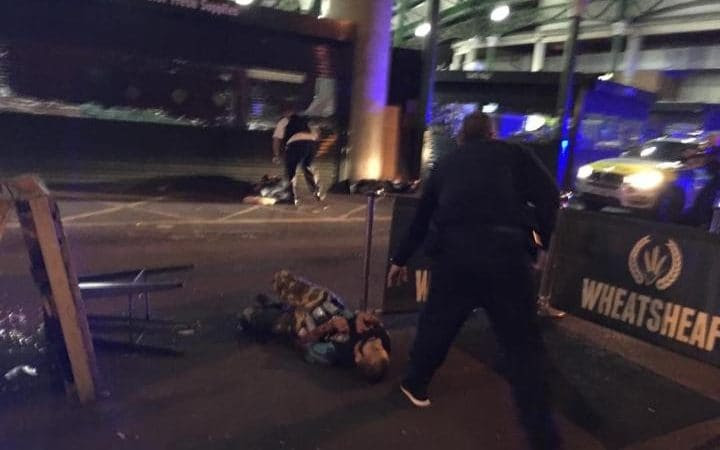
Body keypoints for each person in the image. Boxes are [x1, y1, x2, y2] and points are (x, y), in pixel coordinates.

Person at [387, 112, 561, 449]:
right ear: (493, 134)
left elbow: (421, 219)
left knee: (438, 323)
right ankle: (543, 435)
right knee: (523, 347)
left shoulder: (446, 164)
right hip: (507, 254)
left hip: (456, 255)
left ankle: (415, 383)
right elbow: (550, 196)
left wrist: (400, 259)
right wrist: (541, 241)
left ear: (461, 138)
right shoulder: (515, 154)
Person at [240, 270, 391, 383]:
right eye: (380, 347)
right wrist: (359, 316)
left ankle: (276, 309)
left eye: (374, 348)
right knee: (281, 277)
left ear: (358, 358)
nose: (376, 342)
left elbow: (302, 344)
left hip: (300, 322)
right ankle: (280, 305)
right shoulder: (381, 337)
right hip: (322, 302)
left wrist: (329, 326)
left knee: (248, 315)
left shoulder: (336, 352)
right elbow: (364, 316)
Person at [272, 105, 322, 205]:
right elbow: (317, 134)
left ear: (285, 112)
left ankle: (291, 196)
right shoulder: (306, 120)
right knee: (308, 167)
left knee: (291, 170)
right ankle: (317, 192)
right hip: (310, 143)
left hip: (295, 144)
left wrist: (276, 155)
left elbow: (276, 139)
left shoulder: (284, 121)